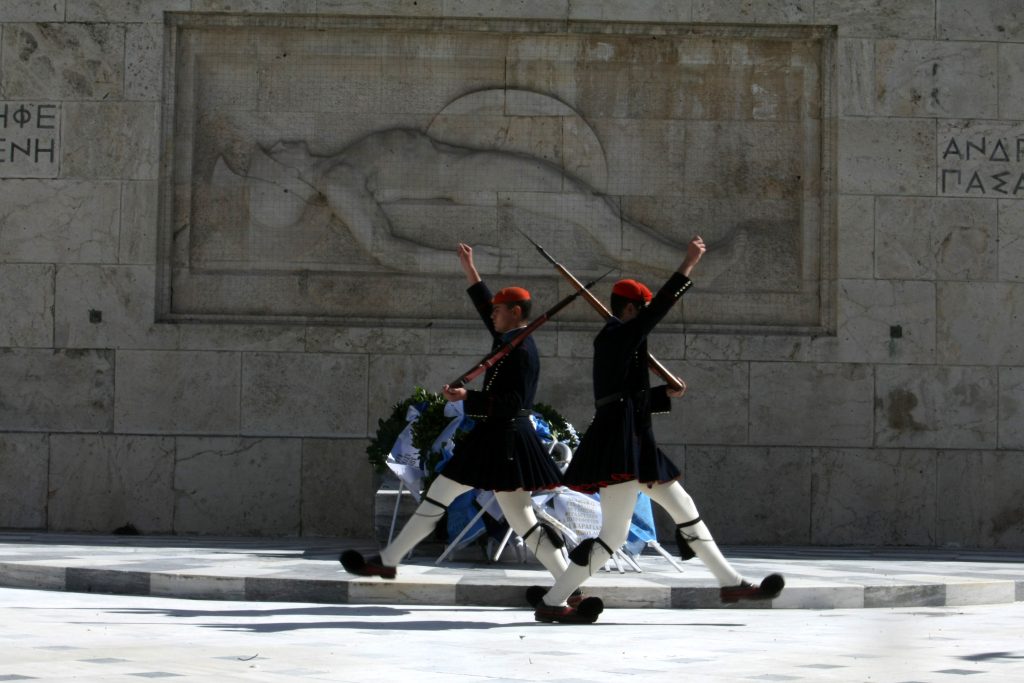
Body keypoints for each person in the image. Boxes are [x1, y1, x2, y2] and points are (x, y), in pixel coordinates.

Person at [531, 235, 784, 624]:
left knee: (677, 512)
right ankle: (554, 600)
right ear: (631, 309)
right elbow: (655, 320)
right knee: (619, 535)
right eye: (643, 311)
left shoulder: (622, 341)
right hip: (621, 446)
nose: (647, 317)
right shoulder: (615, 336)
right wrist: (687, 265)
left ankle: (730, 583)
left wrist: (663, 393)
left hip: (634, 442)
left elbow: (627, 397)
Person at [341, 243, 591, 602]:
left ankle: (389, 560)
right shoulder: (508, 340)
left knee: (494, 512)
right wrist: (469, 269)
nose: (492, 316)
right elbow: (484, 305)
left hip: (505, 441)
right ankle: (570, 587)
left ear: (515, 312)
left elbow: (514, 404)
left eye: (499, 311)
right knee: (515, 518)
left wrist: (467, 398)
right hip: (496, 439)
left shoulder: (522, 352)